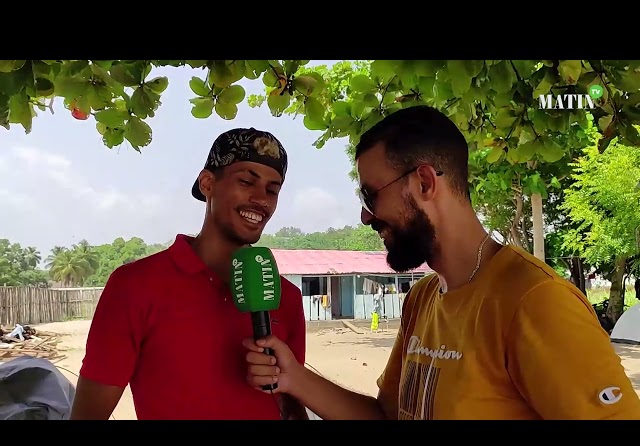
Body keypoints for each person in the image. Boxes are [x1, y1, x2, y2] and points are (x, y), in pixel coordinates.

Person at [242, 105, 640, 420]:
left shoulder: (536, 301)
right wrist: (292, 376)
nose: (365, 216)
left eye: (370, 196)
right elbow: (389, 415)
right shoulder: (422, 299)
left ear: (425, 183)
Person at [71, 127, 308, 420]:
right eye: (247, 181)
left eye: (273, 190)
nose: (262, 199)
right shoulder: (134, 286)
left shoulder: (286, 297)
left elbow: (294, 405)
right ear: (207, 183)